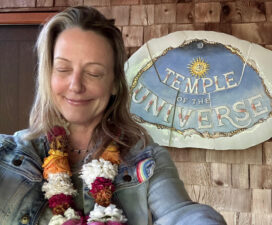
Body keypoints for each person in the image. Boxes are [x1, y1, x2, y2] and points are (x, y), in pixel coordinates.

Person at [0, 6, 226, 225]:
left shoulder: (147, 161)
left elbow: (180, 214)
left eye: (94, 73)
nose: (75, 85)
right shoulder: (7, 154)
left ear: (115, 84)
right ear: (48, 75)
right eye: (63, 69)